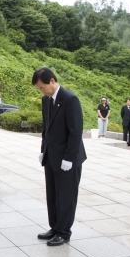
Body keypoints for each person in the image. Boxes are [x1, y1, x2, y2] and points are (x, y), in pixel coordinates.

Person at [32, 67, 86, 247]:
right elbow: (46, 129)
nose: (42, 91)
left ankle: (64, 232)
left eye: (42, 87)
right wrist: (43, 150)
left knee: (66, 196)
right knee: (53, 194)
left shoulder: (70, 99)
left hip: (67, 159)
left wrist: (69, 158)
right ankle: (54, 227)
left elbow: (76, 132)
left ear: (52, 81)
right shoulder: (46, 100)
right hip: (51, 156)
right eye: (39, 89)